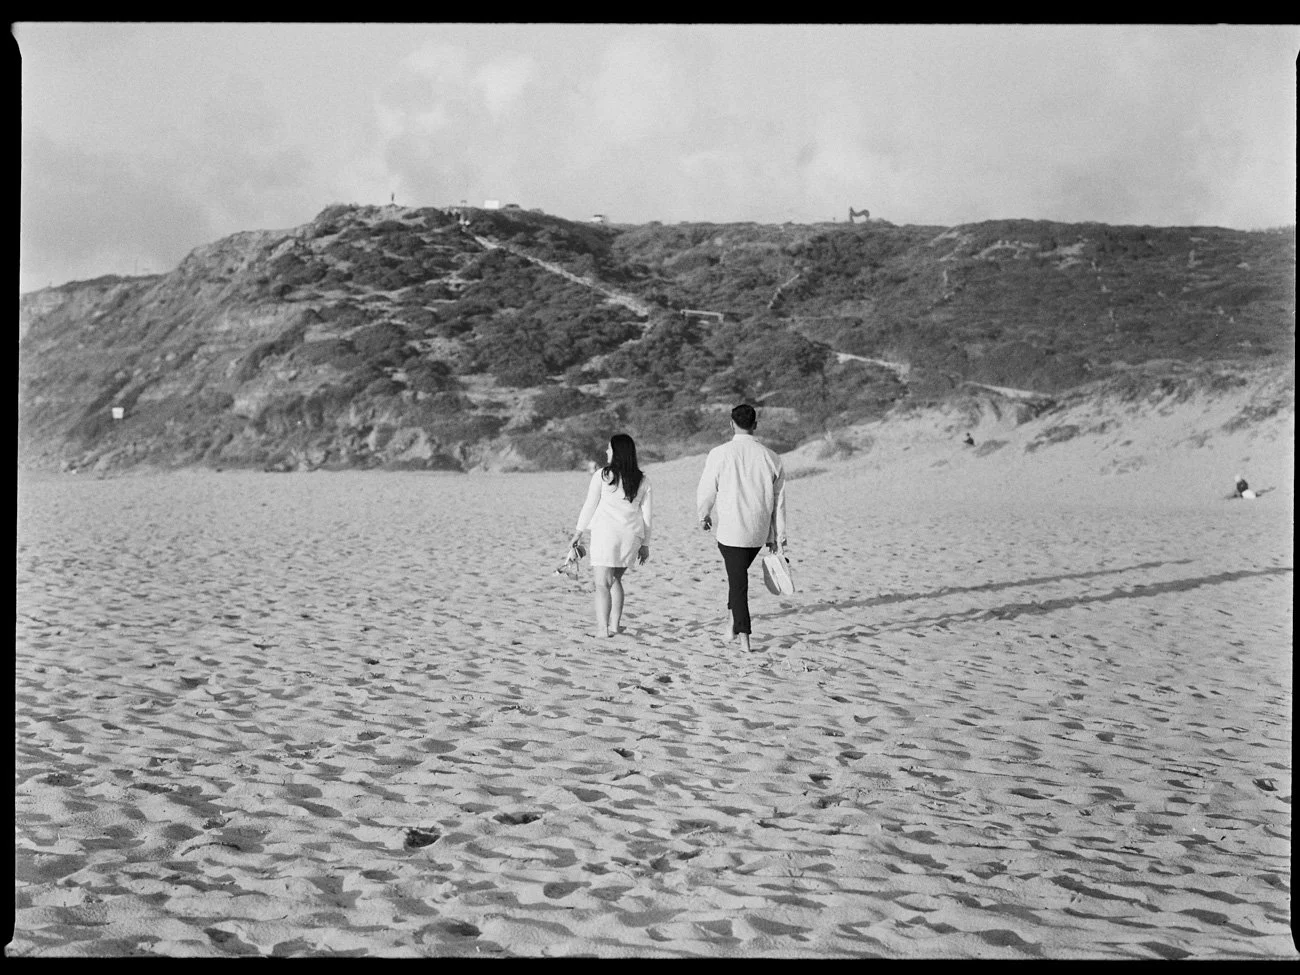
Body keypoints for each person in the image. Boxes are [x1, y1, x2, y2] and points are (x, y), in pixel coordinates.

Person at [696, 404, 787, 652]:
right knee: (737, 577)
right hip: (757, 531)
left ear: (731, 424)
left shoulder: (719, 453)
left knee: (738, 582)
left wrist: (703, 514)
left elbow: (707, 488)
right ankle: (730, 627)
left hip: (731, 530)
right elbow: (779, 501)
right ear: (755, 425)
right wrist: (778, 535)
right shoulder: (772, 457)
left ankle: (744, 637)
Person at [571, 434, 652, 638]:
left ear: (617, 452)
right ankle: (614, 626)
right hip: (631, 536)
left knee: (601, 584)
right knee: (614, 580)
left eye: (609, 449)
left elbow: (590, 504)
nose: (607, 452)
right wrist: (645, 544)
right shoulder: (642, 479)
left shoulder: (603, 475)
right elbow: (647, 515)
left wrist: (578, 531)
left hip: (606, 534)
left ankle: (602, 630)